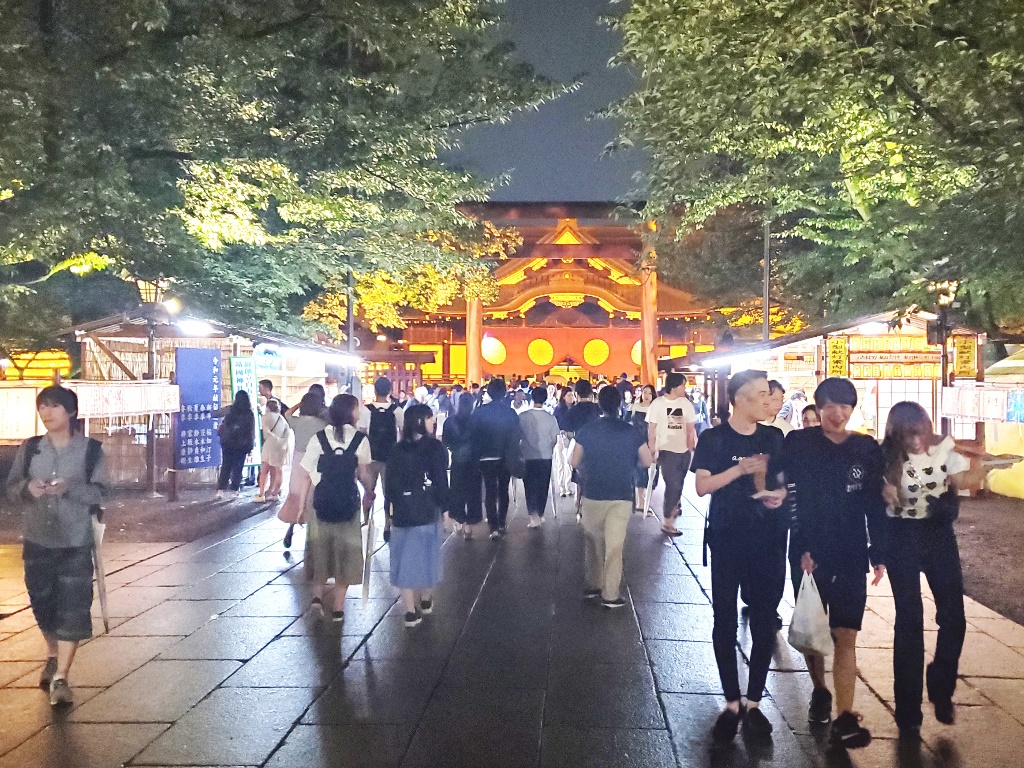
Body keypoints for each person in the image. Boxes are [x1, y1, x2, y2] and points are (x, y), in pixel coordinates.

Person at [781, 377, 887, 749]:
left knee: (846, 633)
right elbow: (789, 493)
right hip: (809, 552)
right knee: (813, 630)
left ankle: (845, 716)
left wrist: (878, 552)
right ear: (819, 407)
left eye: (845, 406)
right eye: (830, 406)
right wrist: (802, 546)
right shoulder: (799, 443)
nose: (838, 414)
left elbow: (874, 501)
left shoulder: (865, 447)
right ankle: (820, 689)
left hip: (851, 549)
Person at [880, 402, 990, 738]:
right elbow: (874, 496)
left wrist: (984, 466)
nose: (916, 441)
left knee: (954, 616)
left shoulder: (942, 448)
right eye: (908, 435)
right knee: (909, 620)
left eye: (920, 433)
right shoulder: (884, 458)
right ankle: (908, 711)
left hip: (938, 534)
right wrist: (883, 491)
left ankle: (941, 688)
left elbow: (964, 479)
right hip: (900, 537)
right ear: (896, 435)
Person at [691, 370, 787, 742]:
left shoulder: (773, 437)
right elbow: (702, 486)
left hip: (768, 539)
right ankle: (731, 702)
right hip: (727, 536)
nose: (768, 400)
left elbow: (782, 481)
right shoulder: (714, 438)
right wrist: (739, 469)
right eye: (762, 394)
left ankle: (754, 702)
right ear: (740, 399)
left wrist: (777, 494)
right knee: (725, 618)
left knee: (764, 619)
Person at [4, 386, 107, 707]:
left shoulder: (90, 451)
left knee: (73, 607)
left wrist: (69, 488)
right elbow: (11, 490)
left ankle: (61, 676)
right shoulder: (31, 448)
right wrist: (27, 489)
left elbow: (101, 492)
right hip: (38, 538)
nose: (46, 413)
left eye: (53, 406)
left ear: (71, 411)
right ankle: (52, 653)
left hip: (75, 540)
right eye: (42, 407)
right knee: (42, 602)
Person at [571, 386, 652, 608]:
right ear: (620, 405)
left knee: (593, 541)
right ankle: (611, 594)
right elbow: (646, 461)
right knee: (615, 546)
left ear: (599, 404)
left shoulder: (586, 431)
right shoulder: (632, 432)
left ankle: (594, 584)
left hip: (593, 492)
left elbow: (574, 461)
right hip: (621, 493)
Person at [301, 394, 373, 622]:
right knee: (346, 552)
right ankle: (338, 607)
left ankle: (317, 597)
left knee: (320, 549)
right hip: (348, 503)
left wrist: (307, 499)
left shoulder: (319, 438)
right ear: (350, 412)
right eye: (357, 408)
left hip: (321, 501)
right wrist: (369, 492)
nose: (359, 412)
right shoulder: (360, 440)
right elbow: (363, 474)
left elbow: (308, 471)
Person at [385, 403, 449, 627]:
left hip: (402, 511)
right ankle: (426, 597)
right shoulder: (434, 448)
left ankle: (409, 611)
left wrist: (389, 514)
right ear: (422, 421)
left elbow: (389, 485)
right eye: (430, 418)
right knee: (429, 555)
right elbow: (440, 479)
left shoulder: (396, 449)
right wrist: (445, 509)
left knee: (403, 559)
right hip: (427, 509)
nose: (433, 422)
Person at [468, 379, 522, 539]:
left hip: (485, 456)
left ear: (489, 393)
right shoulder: (510, 413)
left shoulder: (479, 412)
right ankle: (502, 522)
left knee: (490, 490)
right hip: (505, 456)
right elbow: (516, 435)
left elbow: (473, 436)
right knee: (503, 489)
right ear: (504, 393)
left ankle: (493, 527)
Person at [646, 372, 698, 537]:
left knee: (679, 484)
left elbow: (690, 429)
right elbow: (651, 429)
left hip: (684, 451)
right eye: (683, 385)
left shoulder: (686, 404)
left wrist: (690, 449)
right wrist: (652, 449)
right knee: (672, 484)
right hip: (666, 450)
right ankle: (667, 522)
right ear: (674, 386)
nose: (685, 388)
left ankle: (672, 509)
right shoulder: (658, 404)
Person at [280, 389, 329, 550]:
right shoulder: (322, 423)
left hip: (299, 461)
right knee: (313, 496)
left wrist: (299, 404)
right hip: (317, 459)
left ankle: (292, 526)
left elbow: (287, 414)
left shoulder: (298, 421)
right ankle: (313, 534)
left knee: (296, 494)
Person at [365, 377, 404, 541]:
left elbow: (362, 433)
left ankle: (365, 520)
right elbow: (402, 432)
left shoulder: (366, 410)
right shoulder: (397, 410)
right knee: (389, 493)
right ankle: (388, 524)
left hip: (370, 457)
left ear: (375, 390)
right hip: (390, 458)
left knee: (368, 491)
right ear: (389, 391)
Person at [519, 386, 560, 528]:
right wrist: (549, 448)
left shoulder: (523, 417)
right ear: (545, 399)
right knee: (543, 486)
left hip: (528, 456)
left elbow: (518, 436)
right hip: (545, 456)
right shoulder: (551, 418)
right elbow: (554, 439)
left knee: (529, 486)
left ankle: (533, 515)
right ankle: (540, 513)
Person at [442, 392, 480, 539]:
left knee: (457, 491)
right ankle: (469, 525)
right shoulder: (477, 421)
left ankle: (459, 520)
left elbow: (446, 441)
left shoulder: (450, 421)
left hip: (457, 460)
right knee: (473, 492)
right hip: (474, 461)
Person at [216, 391, 256, 499]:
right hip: (242, 444)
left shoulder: (230, 409)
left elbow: (216, 413)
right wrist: (250, 446)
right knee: (238, 468)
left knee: (226, 466)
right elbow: (251, 431)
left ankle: (220, 490)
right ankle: (234, 491)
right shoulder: (249, 413)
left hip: (227, 443)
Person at [630, 384, 659, 515]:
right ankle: (640, 502)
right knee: (639, 471)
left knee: (653, 473)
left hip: (653, 443)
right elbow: (627, 422)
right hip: (637, 442)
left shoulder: (657, 409)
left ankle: (647, 501)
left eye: (649, 393)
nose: (646, 395)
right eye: (644, 392)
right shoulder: (634, 407)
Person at [256, 399, 291, 503]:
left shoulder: (266, 417)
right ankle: (274, 492)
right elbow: (287, 433)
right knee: (278, 471)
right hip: (281, 447)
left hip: (269, 446)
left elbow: (265, 434)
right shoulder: (282, 419)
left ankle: (261, 494)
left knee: (264, 471)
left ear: (268, 407)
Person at [553, 387, 576, 498]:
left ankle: (568, 486)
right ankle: (562, 487)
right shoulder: (558, 409)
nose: (571, 397)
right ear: (563, 397)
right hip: (560, 437)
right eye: (569, 395)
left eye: (572, 395)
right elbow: (555, 423)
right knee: (560, 463)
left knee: (569, 463)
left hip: (571, 437)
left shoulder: (575, 409)